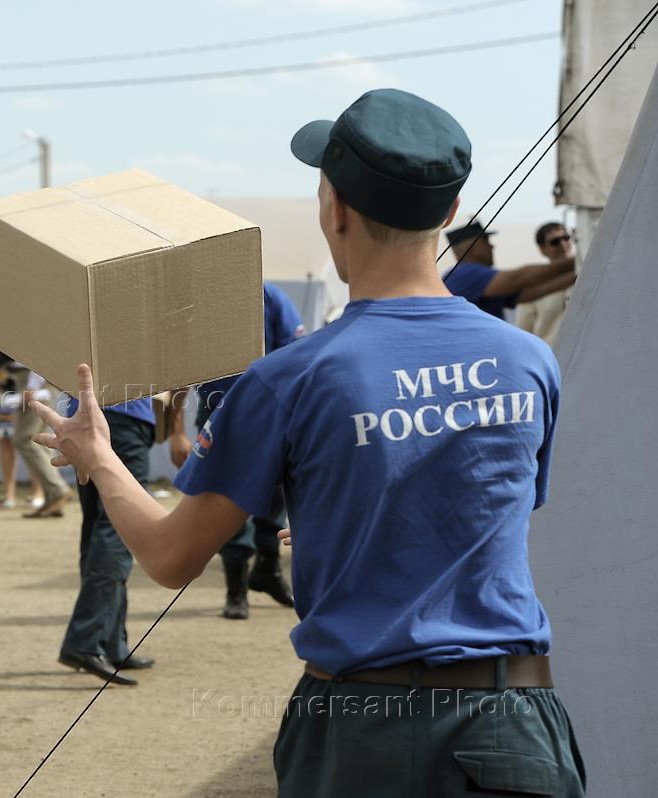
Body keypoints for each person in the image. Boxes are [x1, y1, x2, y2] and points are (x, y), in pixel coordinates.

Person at [33, 89, 585, 796]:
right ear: (448, 214)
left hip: (362, 730)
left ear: (334, 210)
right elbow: (484, 510)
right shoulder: (529, 360)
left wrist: (99, 459)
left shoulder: (286, 380)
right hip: (515, 724)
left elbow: (171, 558)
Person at [169, 283, 305, 619]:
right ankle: (236, 590)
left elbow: (297, 356)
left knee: (275, 500)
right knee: (222, 501)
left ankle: (268, 573)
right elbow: (179, 370)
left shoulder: (269, 297)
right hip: (218, 414)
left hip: (270, 414)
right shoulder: (200, 302)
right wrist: (175, 432)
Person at [57, 396, 156, 686]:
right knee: (119, 530)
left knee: (98, 528)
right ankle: (87, 640)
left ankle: (112, 642)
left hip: (83, 419)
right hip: (124, 416)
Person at [443, 220, 576, 320]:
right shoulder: (465, 274)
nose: (492, 247)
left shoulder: (473, 279)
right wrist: (579, 261)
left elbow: (539, 290)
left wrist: (579, 272)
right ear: (474, 249)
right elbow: (518, 279)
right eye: (486, 242)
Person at [0, 350, 43, 509]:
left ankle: (38, 492)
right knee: (4, 438)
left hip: (27, 375)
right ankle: (9, 494)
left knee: (32, 438)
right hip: (0, 376)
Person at [13, 367, 71, 517]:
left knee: (25, 439)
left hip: (35, 383)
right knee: (40, 441)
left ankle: (57, 489)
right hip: (37, 382)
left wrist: (32, 386)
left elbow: (35, 350)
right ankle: (52, 498)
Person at [516, 222, 575, 346]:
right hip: (553, 357)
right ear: (542, 249)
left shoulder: (590, 274)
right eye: (555, 241)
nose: (563, 244)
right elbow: (523, 331)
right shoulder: (534, 285)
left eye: (566, 238)